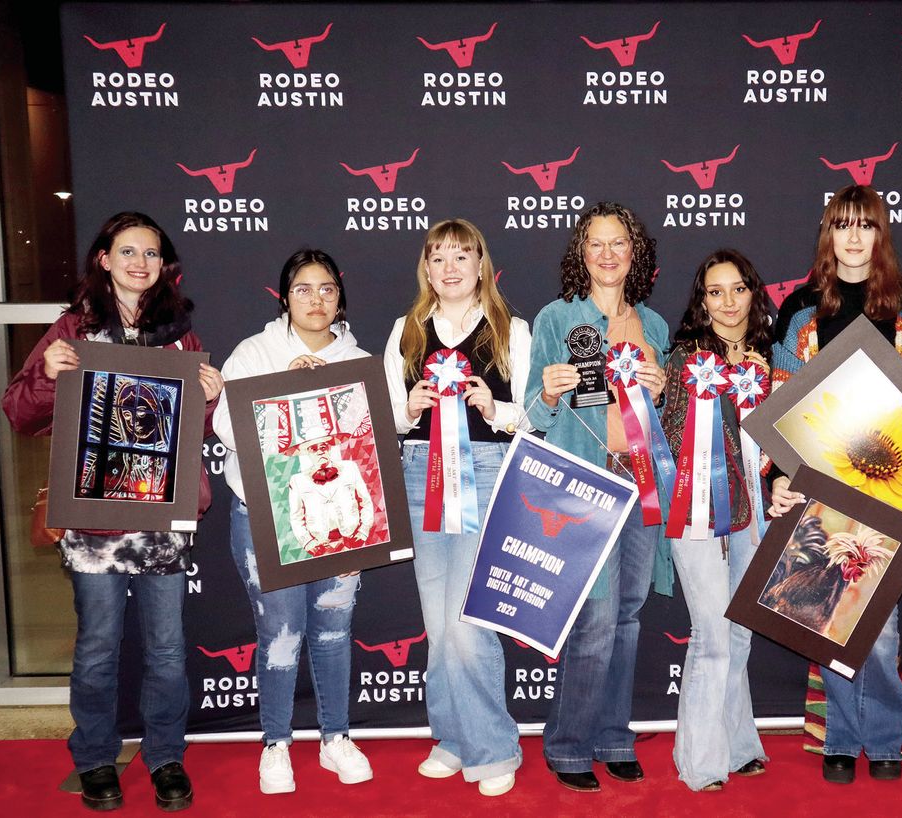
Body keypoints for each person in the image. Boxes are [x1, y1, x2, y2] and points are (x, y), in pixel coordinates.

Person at [2, 211, 223, 812]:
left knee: (168, 650)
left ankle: (165, 756)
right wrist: (47, 375)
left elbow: (192, 435)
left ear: (164, 265)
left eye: (150, 254)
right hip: (95, 526)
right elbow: (19, 411)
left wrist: (209, 397)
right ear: (104, 258)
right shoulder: (74, 329)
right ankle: (97, 758)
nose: (139, 263)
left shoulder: (181, 334)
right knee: (98, 646)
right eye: (127, 251)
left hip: (162, 523)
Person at [768, 185, 902, 784]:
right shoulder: (800, 308)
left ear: (880, 233)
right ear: (829, 232)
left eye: (866, 225)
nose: (855, 236)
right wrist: (786, 476)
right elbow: (784, 400)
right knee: (836, 618)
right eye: (843, 224)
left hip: (893, 486)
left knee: (883, 629)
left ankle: (886, 738)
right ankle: (842, 737)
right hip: (823, 486)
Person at [213, 249, 373, 795]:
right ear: (285, 296)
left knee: (332, 630)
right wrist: (286, 387)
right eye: (303, 289)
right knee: (280, 633)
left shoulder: (358, 360)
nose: (316, 299)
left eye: (326, 288)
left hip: (340, 517)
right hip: (266, 516)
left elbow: (377, 440)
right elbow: (225, 428)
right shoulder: (255, 352)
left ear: (339, 297)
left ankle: (335, 738)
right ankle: (276, 743)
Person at [383, 219, 530, 798]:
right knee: (439, 625)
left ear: (481, 265)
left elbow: (531, 418)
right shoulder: (407, 328)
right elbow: (388, 414)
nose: (449, 267)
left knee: (469, 622)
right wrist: (410, 408)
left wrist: (496, 406)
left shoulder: (510, 327)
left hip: (487, 473)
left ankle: (494, 747)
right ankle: (451, 736)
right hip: (422, 472)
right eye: (437, 256)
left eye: (460, 256)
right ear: (426, 268)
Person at [527, 201, 668, 792]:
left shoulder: (655, 328)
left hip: (640, 484)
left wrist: (659, 393)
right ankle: (567, 744)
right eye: (596, 244)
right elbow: (531, 415)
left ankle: (614, 736)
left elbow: (658, 421)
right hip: (584, 484)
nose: (607, 255)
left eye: (618, 244)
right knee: (596, 619)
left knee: (630, 615)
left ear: (634, 254)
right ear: (580, 254)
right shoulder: (557, 319)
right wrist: (551, 393)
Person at [660, 249, 774, 792]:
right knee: (712, 634)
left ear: (753, 292)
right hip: (698, 504)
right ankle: (700, 762)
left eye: (737, 289)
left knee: (742, 633)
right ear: (701, 302)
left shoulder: (771, 359)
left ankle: (738, 742)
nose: (728, 302)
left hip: (755, 504)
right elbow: (672, 430)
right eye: (715, 292)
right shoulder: (686, 359)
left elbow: (783, 443)